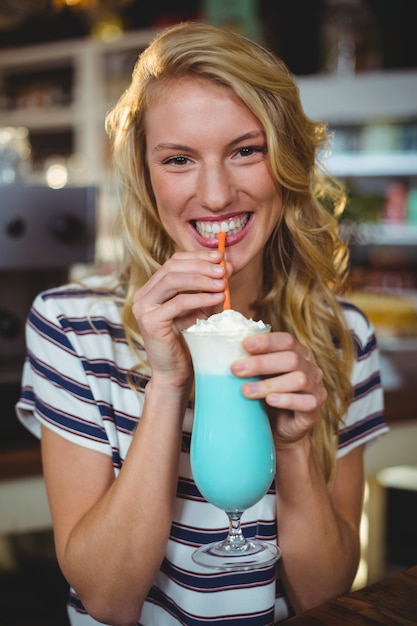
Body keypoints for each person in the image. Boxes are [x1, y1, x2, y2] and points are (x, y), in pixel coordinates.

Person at [17, 22, 387, 626]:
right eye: (179, 159)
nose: (215, 195)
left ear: (287, 161)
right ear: (146, 175)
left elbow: (324, 596)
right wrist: (165, 385)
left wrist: (294, 445)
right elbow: (109, 600)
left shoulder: (341, 335)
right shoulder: (73, 327)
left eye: (246, 150)